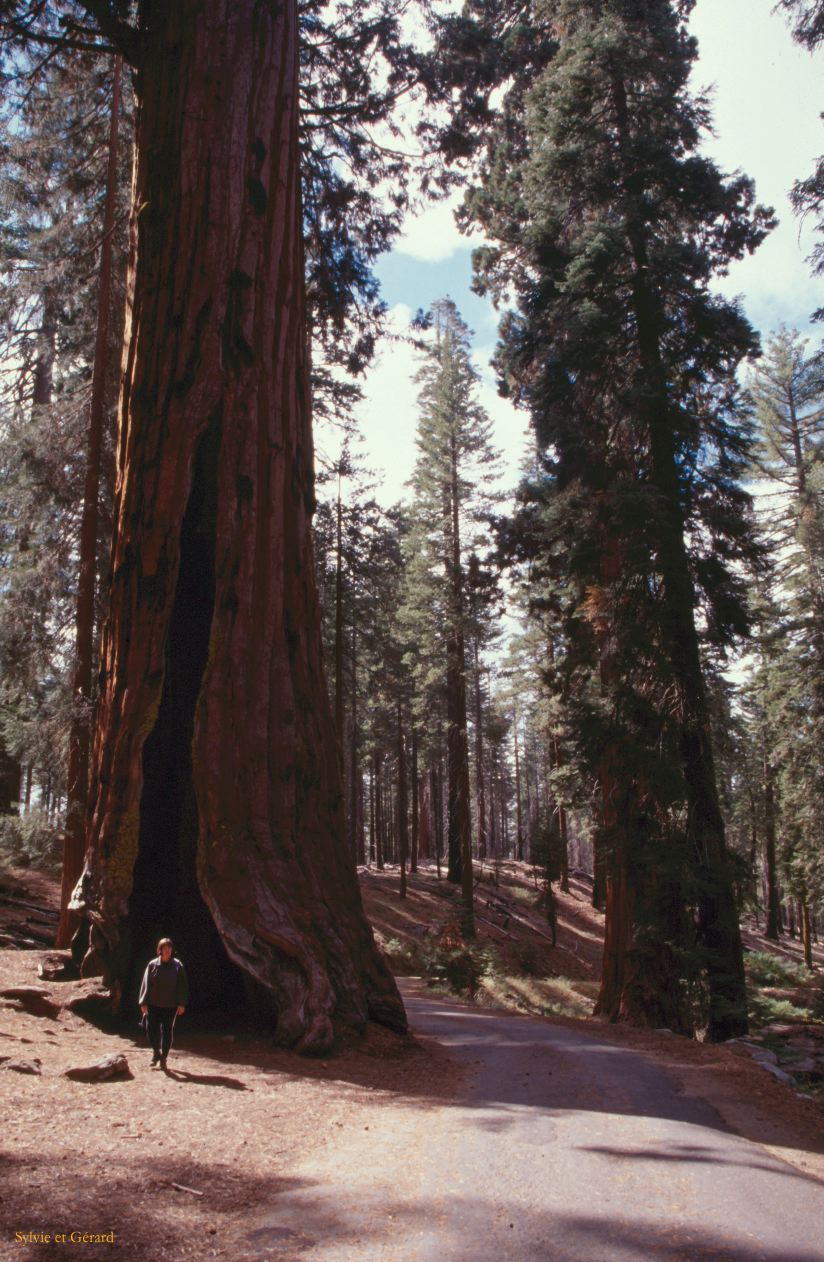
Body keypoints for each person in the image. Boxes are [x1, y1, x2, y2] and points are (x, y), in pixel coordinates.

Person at [138, 937, 189, 1070]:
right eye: (164, 948)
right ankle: (156, 1052)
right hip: (154, 1004)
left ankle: (164, 1058)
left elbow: (182, 986)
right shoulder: (152, 965)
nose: (167, 951)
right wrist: (143, 1002)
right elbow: (146, 984)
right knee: (151, 1029)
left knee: (167, 1031)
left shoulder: (178, 966)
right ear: (160, 950)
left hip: (170, 1005)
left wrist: (181, 1003)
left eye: (169, 948)